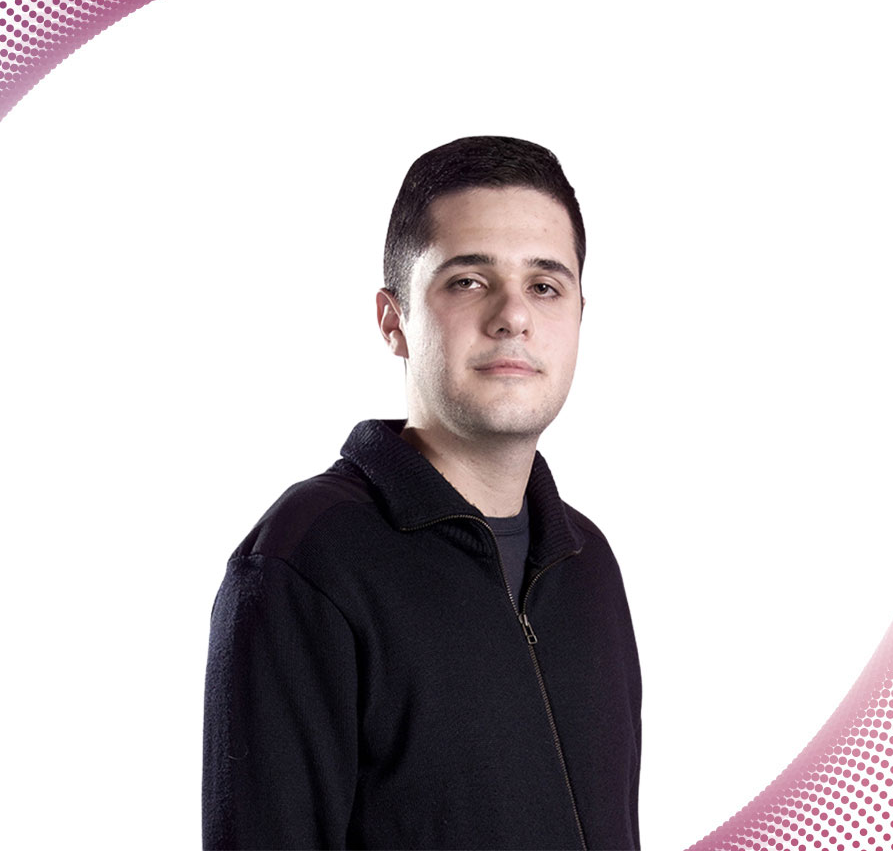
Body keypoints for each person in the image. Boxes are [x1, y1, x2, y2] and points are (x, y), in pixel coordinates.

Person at [201, 135, 642, 850]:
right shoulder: (306, 563)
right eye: (468, 281)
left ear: (579, 316)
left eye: (544, 285)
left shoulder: (587, 562)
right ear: (393, 320)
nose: (514, 315)